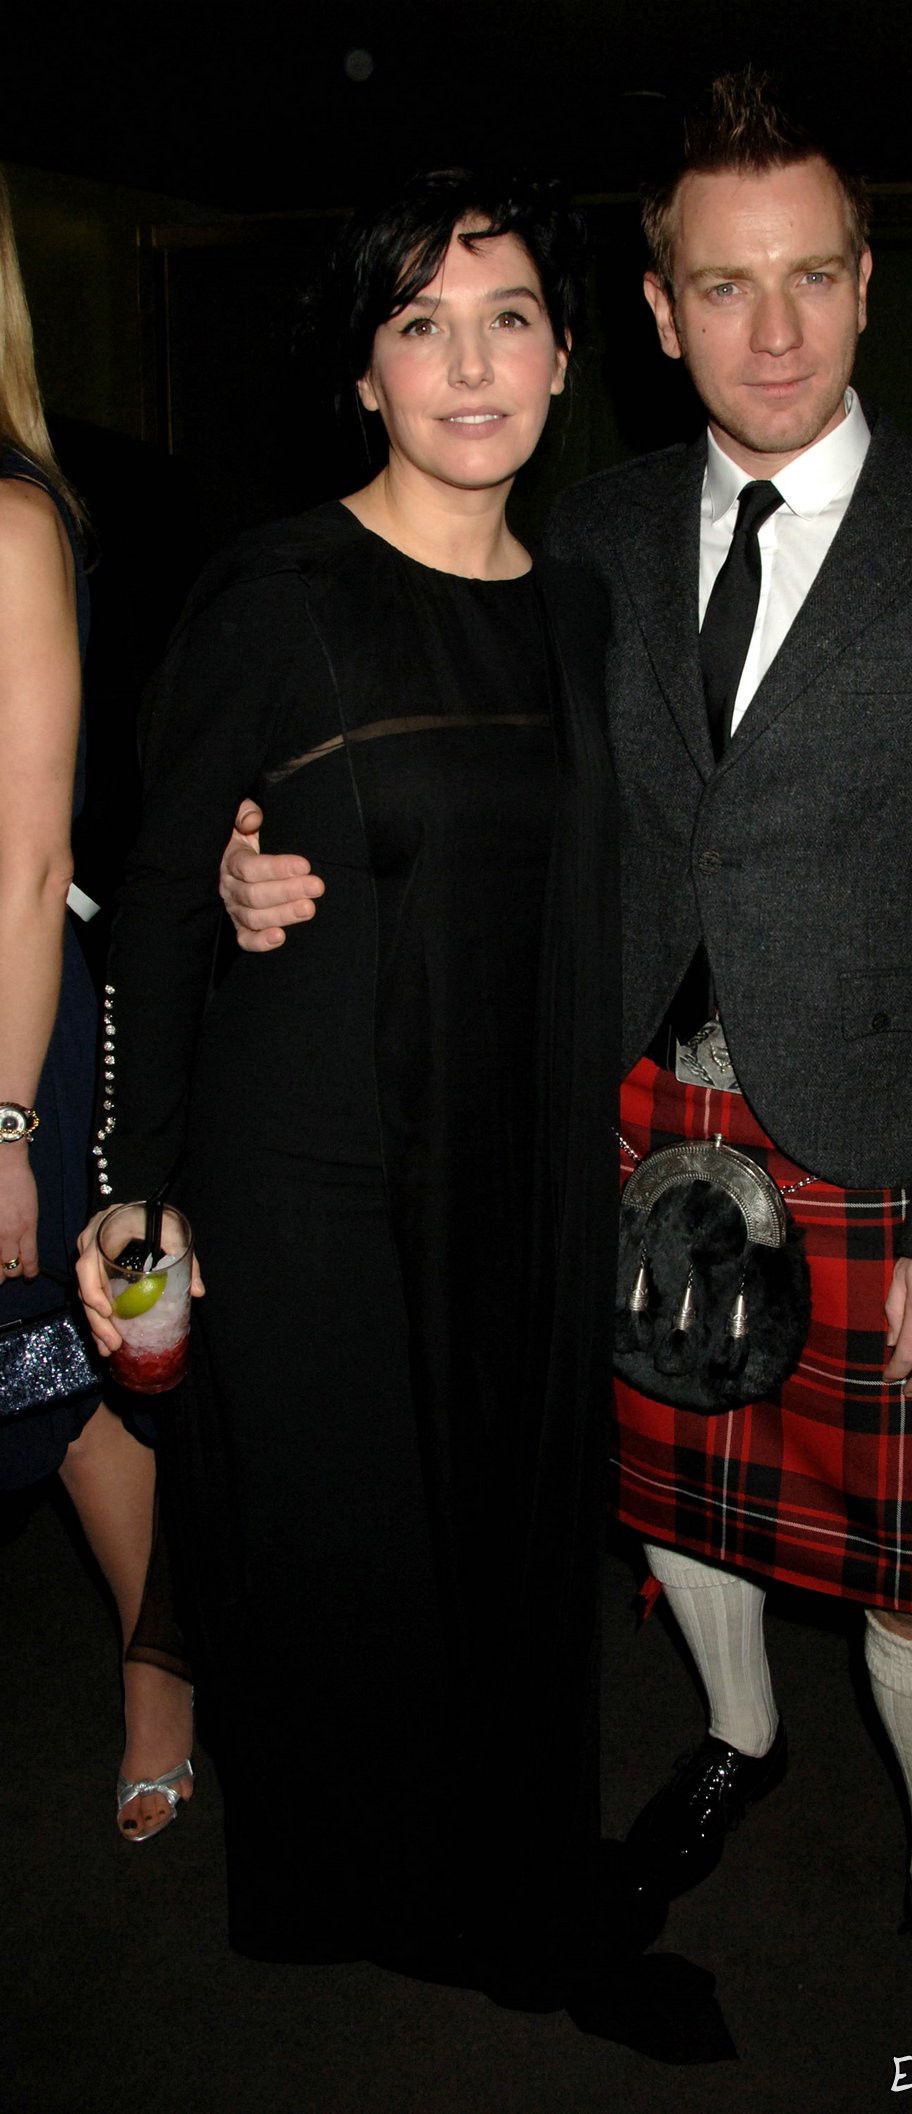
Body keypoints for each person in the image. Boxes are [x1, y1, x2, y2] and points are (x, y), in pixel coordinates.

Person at [219, 80, 912, 2107]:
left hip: (883, 1150)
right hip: (617, 1124)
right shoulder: (590, 532)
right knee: (679, 1510)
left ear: (867, 284)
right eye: (722, 286)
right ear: (658, 306)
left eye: (811, 279)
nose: (771, 332)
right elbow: (446, 756)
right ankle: (737, 1736)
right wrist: (276, 855)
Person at [74, 169, 643, 2000]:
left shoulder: (585, 613)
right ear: (366, 373)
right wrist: (134, 1178)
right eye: (421, 325)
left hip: (513, 1164)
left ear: (565, 352)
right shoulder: (280, 589)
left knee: (492, 1532)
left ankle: (477, 1849)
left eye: (507, 319)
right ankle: (348, 1880)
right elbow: (165, 893)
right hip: (309, 1167)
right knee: (338, 1550)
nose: (470, 366)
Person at [0, 171, 192, 1843]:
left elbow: (31, 853)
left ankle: (160, 1671)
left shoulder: (11, 515)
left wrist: (6, 1126)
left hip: (10, 1011)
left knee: (58, 1380)